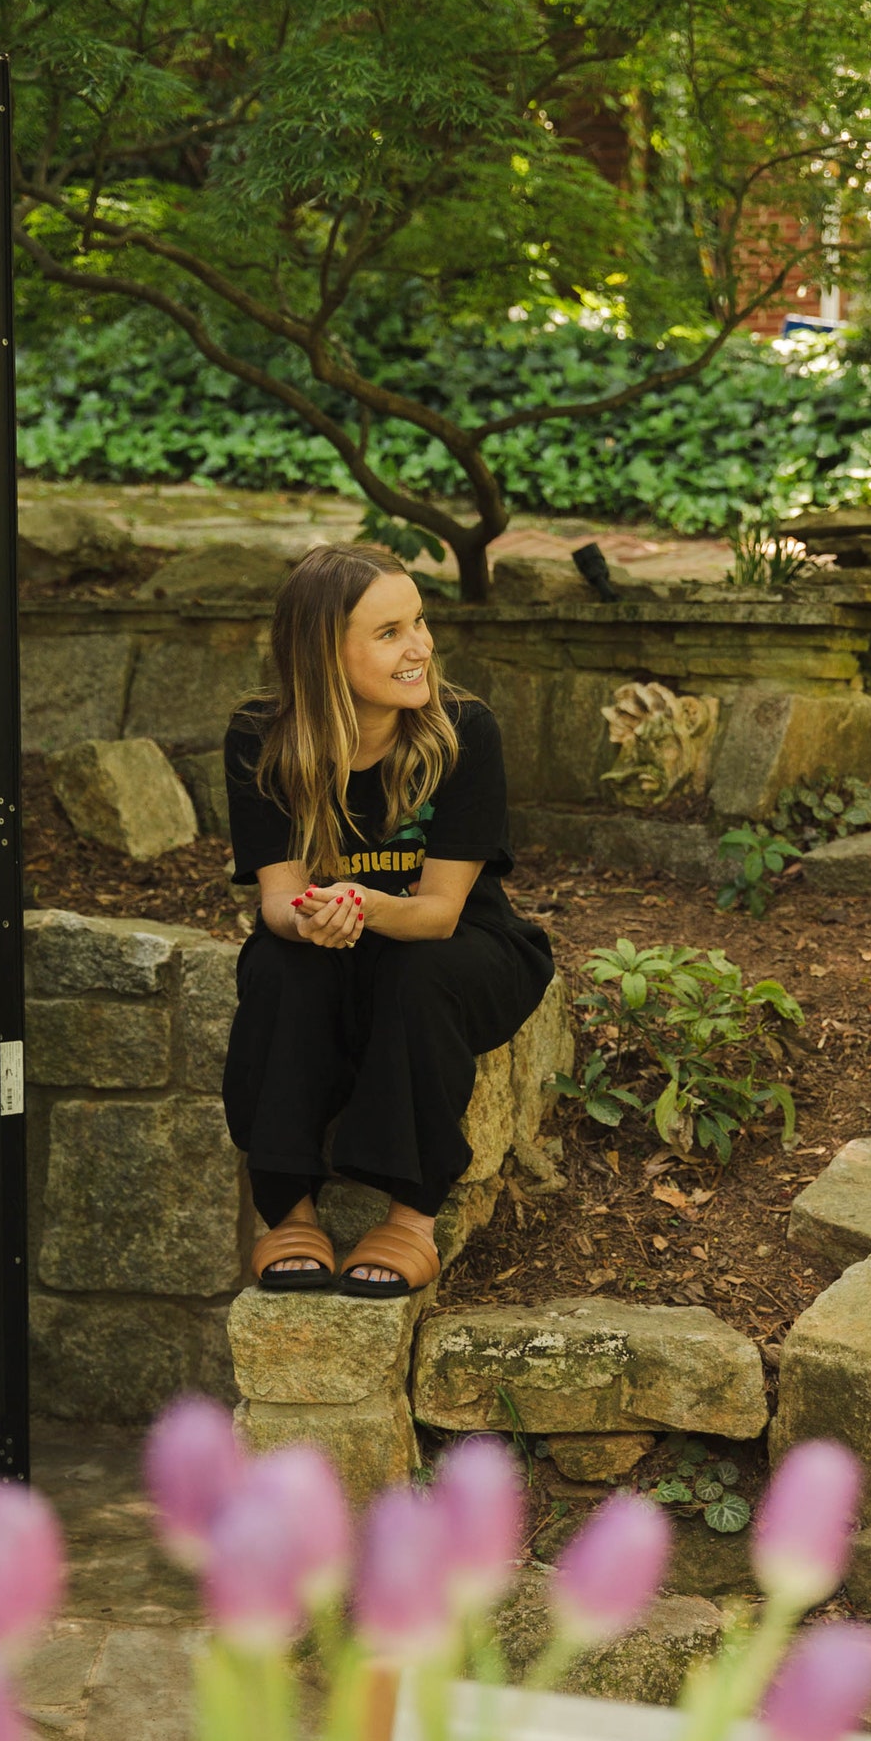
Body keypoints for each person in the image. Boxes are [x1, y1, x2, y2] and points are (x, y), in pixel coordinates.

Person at [222, 542, 554, 1298]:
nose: (421, 647)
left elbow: (438, 915)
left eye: (420, 622)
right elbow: (277, 898)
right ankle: (289, 1208)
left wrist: (365, 907)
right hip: (333, 945)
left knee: (417, 969)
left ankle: (410, 1215)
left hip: (464, 948)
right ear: (322, 654)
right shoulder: (261, 739)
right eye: (390, 632)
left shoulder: (464, 732)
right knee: (278, 966)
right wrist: (308, 921)